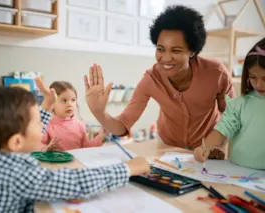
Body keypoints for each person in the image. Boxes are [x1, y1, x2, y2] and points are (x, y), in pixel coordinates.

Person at [0, 81, 150, 213]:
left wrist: (45, 107)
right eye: (38, 123)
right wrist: (128, 168)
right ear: (16, 142)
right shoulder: (16, 175)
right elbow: (76, 182)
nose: (43, 124)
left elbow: (25, 133)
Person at [84, 5, 235, 157]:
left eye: (175, 50)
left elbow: (231, 115)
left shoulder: (216, 73)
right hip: (168, 147)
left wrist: (215, 145)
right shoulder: (151, 79)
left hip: (208, 149)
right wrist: (100, 112)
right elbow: (122, 125)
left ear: (192, 52)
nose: (166, 58)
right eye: (161, 49)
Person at [194, 38, 265, 170]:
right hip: (237, 172)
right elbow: (222, 129)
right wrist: (206, 147)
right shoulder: (240, 104)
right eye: (253, 77)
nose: (258, 84)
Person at [40, 80, 106, 151]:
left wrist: (100, 138)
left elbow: (86, 148)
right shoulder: (47, 125)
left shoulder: (79, 125)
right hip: (55, 162)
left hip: (76, 162)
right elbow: (38, 144)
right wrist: (45, 148)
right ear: (52, 103)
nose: (70, 104)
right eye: (64, 101)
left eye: (73, 100)